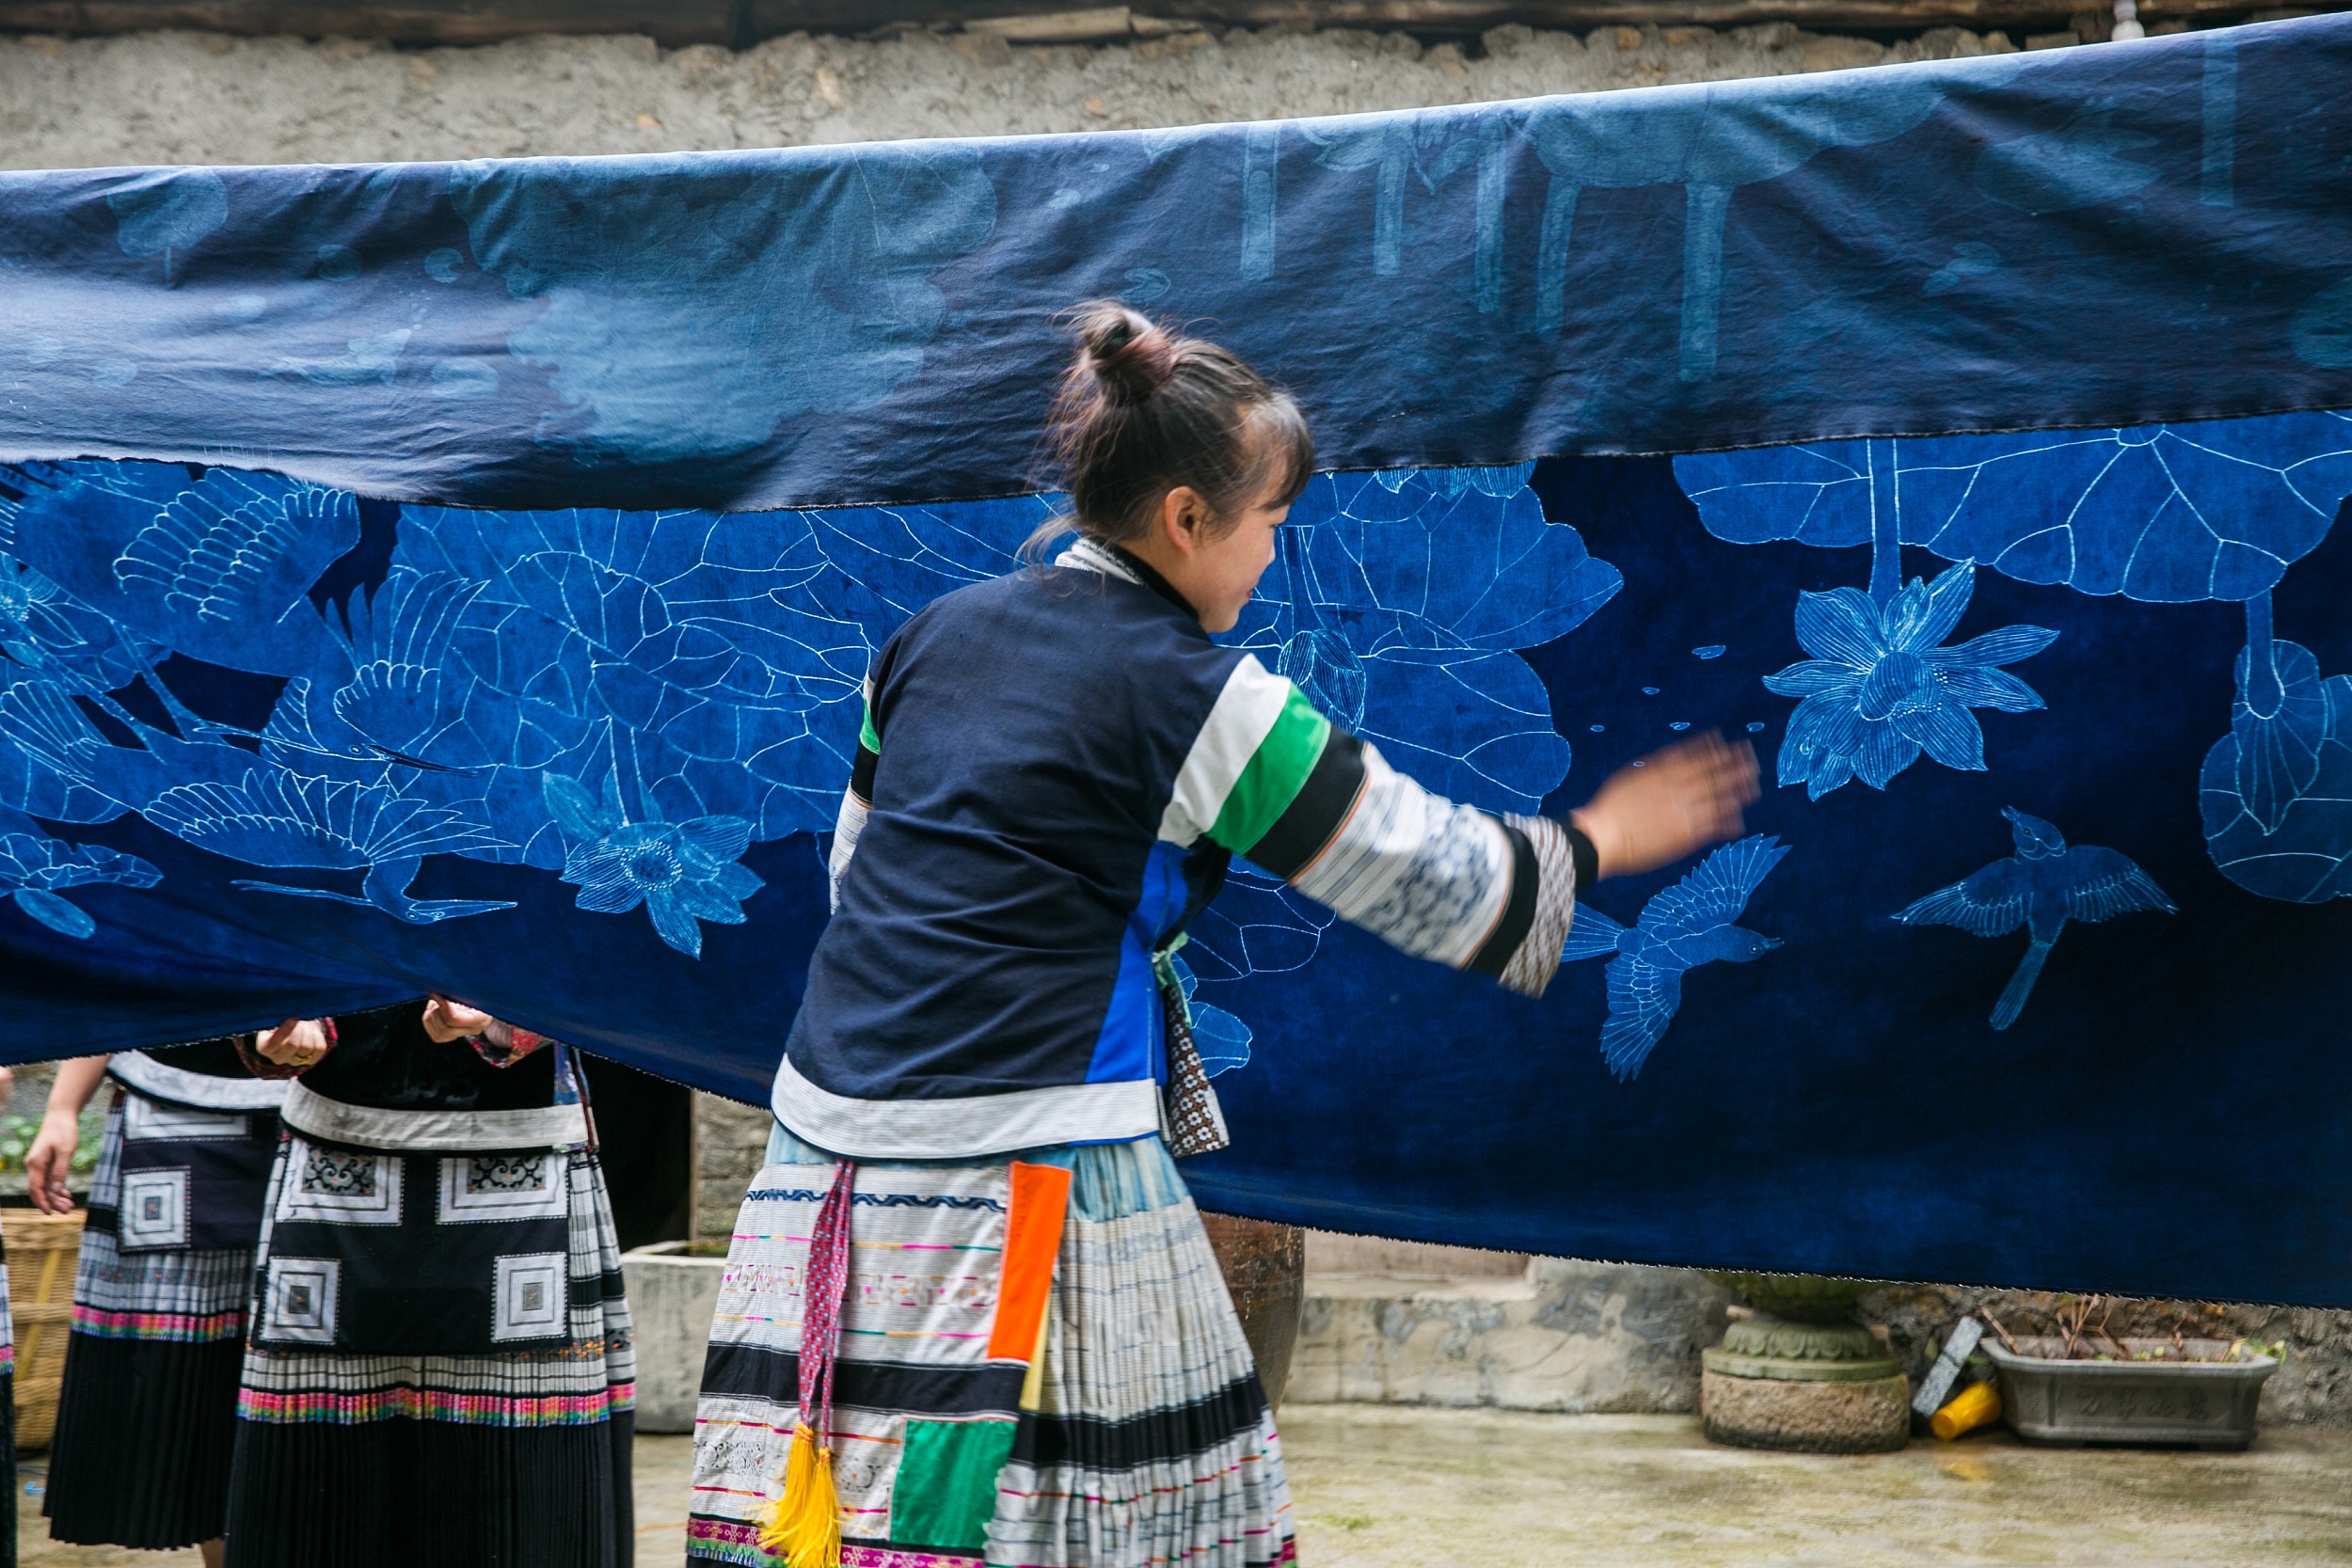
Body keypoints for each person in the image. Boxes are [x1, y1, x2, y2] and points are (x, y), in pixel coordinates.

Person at [683, 304, 1760, 1568]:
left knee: (840, 1519)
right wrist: (1594, 840)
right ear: (1188, 517)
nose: (1270, 559)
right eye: (1269, 525)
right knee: (1036, 1526)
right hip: (1032, 1170)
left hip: (825, 1153)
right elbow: (1423, 869)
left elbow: (857, 871)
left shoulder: (924, 643)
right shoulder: (1210, 704)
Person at [223, 997, 635, 1568]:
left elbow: (599, 944)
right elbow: (258, 925)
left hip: (524, 1143)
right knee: (320, 1486)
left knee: (527, 1496)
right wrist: (270, 1017)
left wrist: (504, 1014)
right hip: (335, 1152)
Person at [31, 1024, 326, 1568]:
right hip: (170, 1107)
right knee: (196, 1378)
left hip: (334, 1107)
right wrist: (62, 1108)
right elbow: (115, 968)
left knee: (317, 1367)